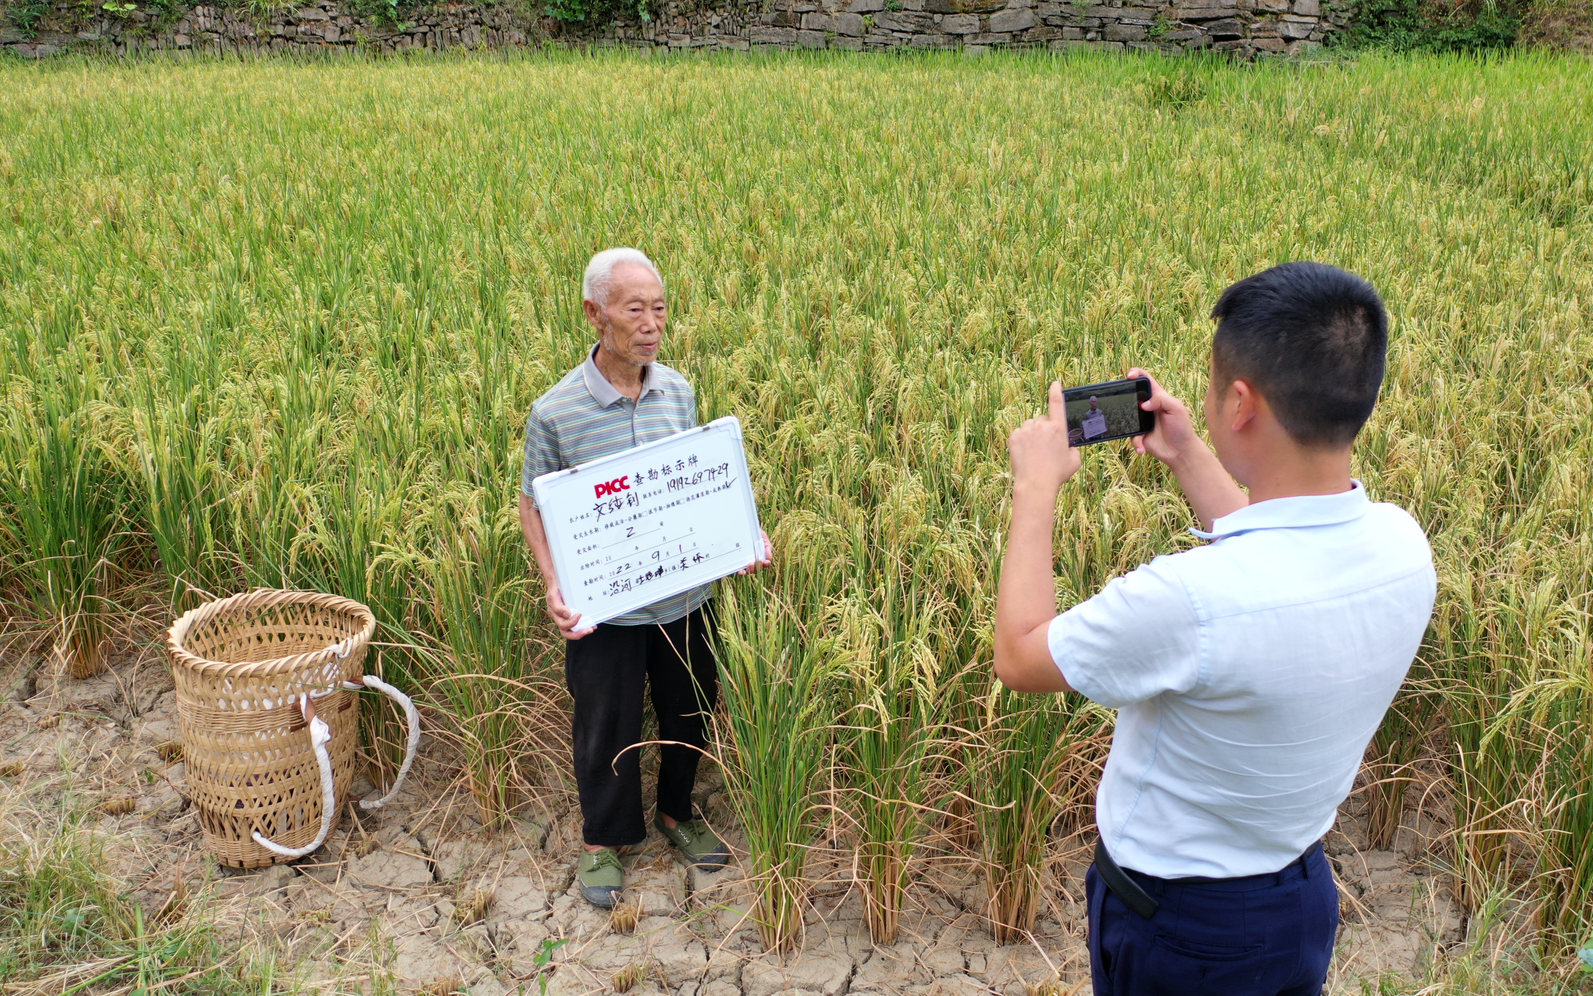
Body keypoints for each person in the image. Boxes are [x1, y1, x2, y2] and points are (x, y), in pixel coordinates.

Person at [992, 262, 1436, 996]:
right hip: (1296, 902)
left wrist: (1033, 490)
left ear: (1240, 402)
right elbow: (1276, 559)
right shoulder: (1401, 549)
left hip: (1180, 929)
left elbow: (1020, 654)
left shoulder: (1187, 600)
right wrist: (1188, 452)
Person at [519, 247, 772, 908]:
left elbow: (700, 478)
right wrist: (554, 583)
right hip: (606, 608)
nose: (651, 322)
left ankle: (676, 812)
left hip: (685, 596)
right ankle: (604, 840)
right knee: (606, 724)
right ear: (594, 314)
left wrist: (743, 534)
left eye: (659, 308)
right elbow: (533, 505)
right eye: (635, 308)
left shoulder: (678, 391)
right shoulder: (555, 412)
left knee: (689, 710)